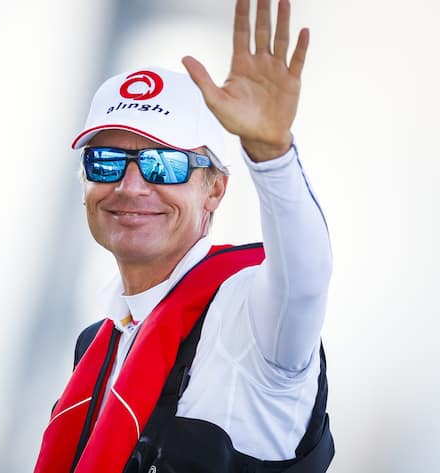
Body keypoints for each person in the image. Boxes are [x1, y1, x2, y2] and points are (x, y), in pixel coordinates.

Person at [33, 1, 334, 472]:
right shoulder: (98, 343)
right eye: (107, 162)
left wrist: (271, 153)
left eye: (165, 165)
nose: (130, 186)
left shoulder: (251, 318)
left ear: (214, 189)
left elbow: (307, 281)